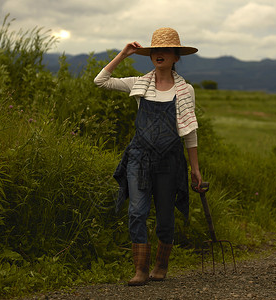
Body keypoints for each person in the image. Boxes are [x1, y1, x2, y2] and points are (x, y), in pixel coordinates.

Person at [94, 27, 203, 286]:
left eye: (165, 50)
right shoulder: (138, 83)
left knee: (165, 217)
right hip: (139, 158)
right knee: (136, 212)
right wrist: (123, 53)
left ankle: (161, 265)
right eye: (155, 50)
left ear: (176, 57)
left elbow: (189, 130)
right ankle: (140, 270)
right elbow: (101, 80)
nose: (159, 54)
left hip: (170, 160)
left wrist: (195, 169)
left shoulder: (185, 90)